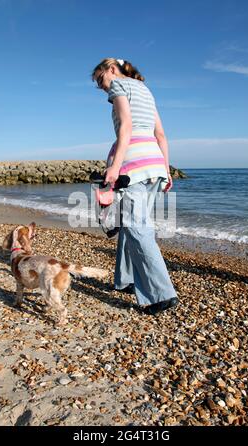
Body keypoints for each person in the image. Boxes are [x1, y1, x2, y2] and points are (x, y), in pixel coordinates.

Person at [91, 58, 178, 315]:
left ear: (112, 70)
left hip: (133, 167)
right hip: (154, 165)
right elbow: (160, 133)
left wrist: (115, 167)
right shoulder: (145, 90)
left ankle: (161, 294)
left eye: (100, 80)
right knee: (131, 223)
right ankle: (125, 279)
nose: (101, 87)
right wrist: (166, 168)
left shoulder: (119, 86)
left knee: (138, 228)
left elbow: (126, 127)